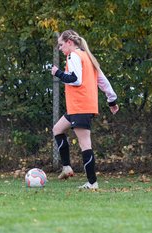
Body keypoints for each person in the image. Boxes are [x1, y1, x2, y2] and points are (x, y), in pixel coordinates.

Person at [51, 29, 119, 189]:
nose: (60, 48)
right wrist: (112, 100)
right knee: (57, 129)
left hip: (80, 107)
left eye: (61, 45)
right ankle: (66, 167)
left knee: (85, 144)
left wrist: (58, 73)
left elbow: (75, 80)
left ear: (69, 42)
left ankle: (92, 182)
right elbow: (103, 81)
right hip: (79, 107)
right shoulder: (87, 56)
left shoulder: (73, 55)